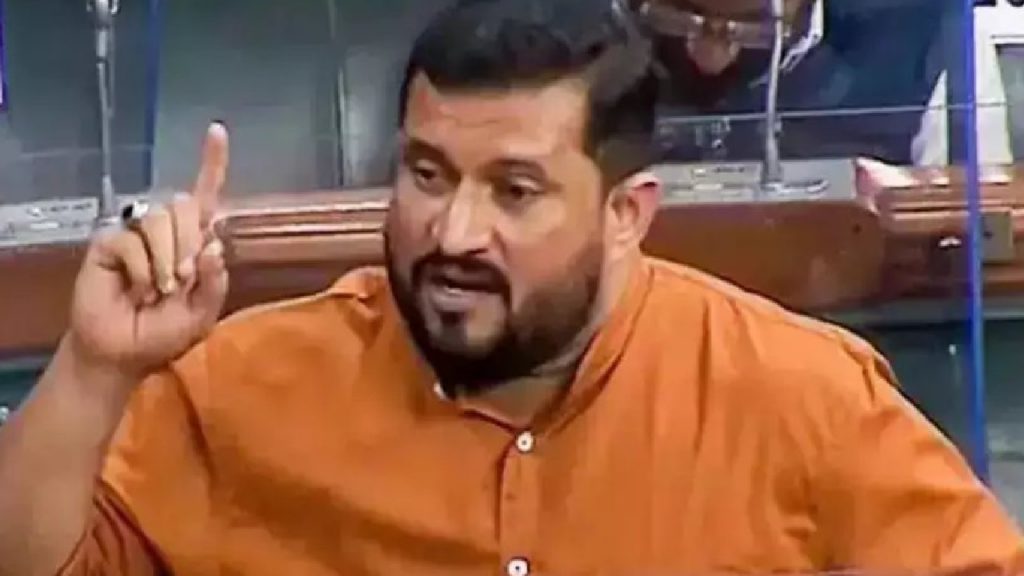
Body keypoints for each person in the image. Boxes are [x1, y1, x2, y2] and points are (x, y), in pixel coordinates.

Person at [0, 0, 1021, 575]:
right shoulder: (242, 389)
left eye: (515, 192)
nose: (452, 234)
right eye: (426, 174)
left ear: (626, 214)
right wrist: (94, 367)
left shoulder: (799, 399)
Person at [638, 0, 949, 165]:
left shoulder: (923, 38)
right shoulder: (618, 37)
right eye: (684, 17)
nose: (713, 58)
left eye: (749, 26)